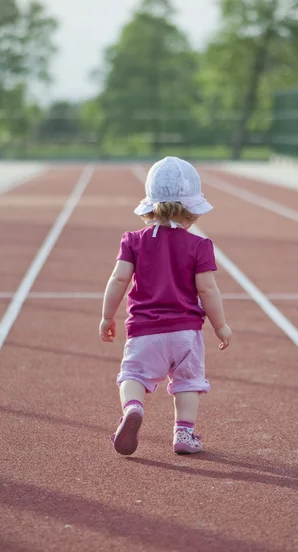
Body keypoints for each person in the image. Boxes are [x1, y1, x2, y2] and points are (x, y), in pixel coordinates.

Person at [99, 156, 231, 456]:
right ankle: (184, 433)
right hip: (185, 333)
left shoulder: (133, 241)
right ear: (191, 209)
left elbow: (118, 279)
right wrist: (220, 325)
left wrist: (107, 316)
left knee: (132, 376)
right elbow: (208, 289)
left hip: (144, 332)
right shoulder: (199, 245)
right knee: (188, 383)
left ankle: (133, 407)